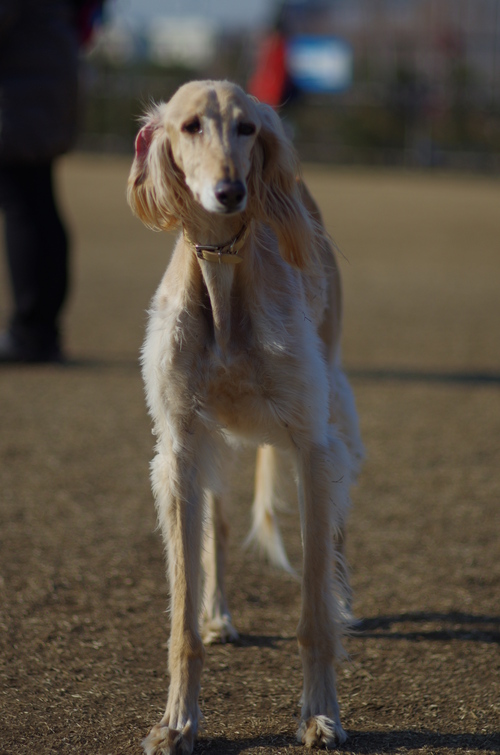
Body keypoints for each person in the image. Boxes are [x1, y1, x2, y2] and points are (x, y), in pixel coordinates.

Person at [0, 0, 99, 363]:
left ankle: (32, 332)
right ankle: (39, 330)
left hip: (19, 90)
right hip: (49, 81)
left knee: (26, 204)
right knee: (36, 203)